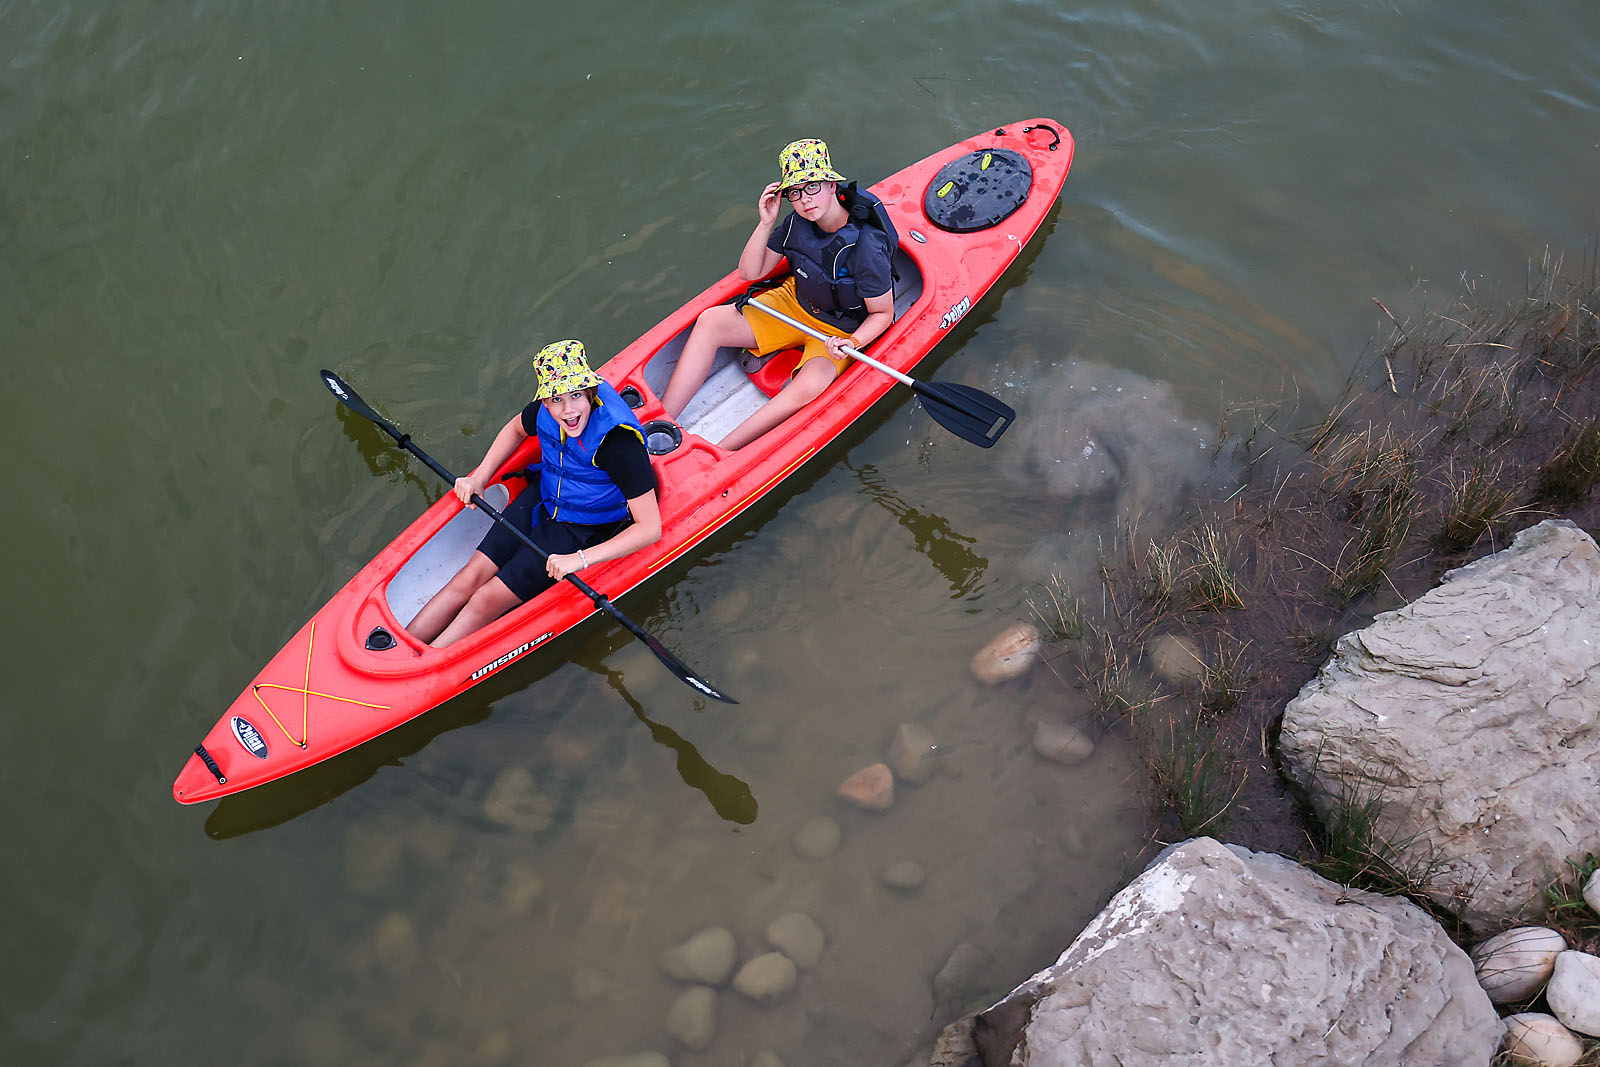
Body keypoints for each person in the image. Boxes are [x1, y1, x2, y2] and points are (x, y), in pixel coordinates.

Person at [407, 340, 661, 648]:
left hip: (583, 528)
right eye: (556, 399)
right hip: (544, 498)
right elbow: (515, 429)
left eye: (576, 395)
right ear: (545, 401)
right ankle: (399, 653)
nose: (568, 410)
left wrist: (579, 560)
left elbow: (650, 528)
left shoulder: (618, 445)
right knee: (469, 577)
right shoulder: (544, 411)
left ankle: (427, 663)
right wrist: (479, 478)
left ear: (591, 392)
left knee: (486, 599)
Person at [660, 138, 896, 451]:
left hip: (839, 331)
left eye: (811, 186)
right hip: (794, 304)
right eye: (795, 192)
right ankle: (661, 423)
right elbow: (750, 273)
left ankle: (721, 451)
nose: (804, 200)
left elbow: (883, 314)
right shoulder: (794, 223)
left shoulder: (866, 248)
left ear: (830, 184)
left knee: (810, 385)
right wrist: (765, 222)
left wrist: (851, 344)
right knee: (710, 322)